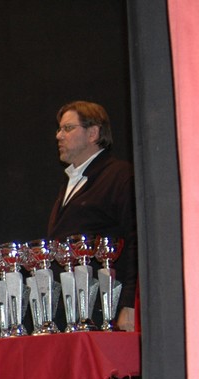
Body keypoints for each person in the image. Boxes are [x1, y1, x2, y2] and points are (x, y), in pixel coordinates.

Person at [48, 100, 137, 331]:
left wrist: (129, 303)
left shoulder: (120, 176)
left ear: (93, 133)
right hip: (71, 309)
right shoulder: (70, 182)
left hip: (104, 308)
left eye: (68, 128)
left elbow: (136, 241)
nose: (59, 136)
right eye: (59, 129)